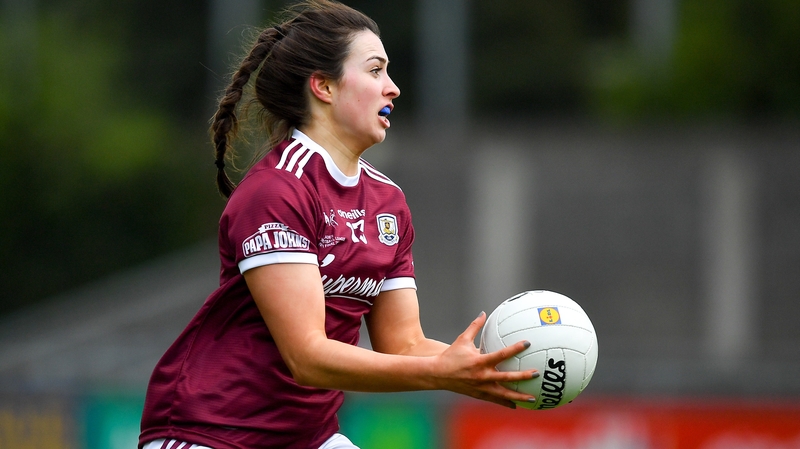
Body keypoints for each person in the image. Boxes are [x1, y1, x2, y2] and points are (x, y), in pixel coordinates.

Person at [138, 1, 538, 448]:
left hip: (307, 439)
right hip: (210, 432)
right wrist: (441, 373)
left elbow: (404, 344)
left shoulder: (388, 202)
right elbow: (306, 356)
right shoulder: (277, 191)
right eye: (375, 71)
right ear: (323, 86)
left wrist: (490, 365)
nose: (394, 88)